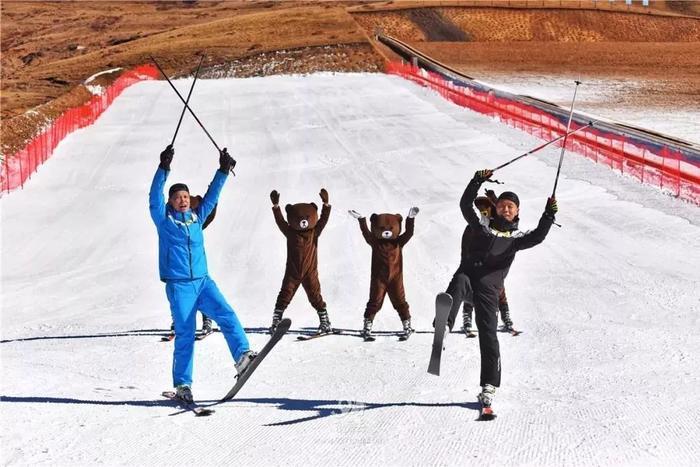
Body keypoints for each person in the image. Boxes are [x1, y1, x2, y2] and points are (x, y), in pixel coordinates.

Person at [149, 144, 255, 403]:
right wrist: (163, 168)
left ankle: (242, 358)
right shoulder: (165, 221)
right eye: (178, 197)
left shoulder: (197, 217)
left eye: (185, 196)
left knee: (226, 314)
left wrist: (223, 169)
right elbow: (154, 197)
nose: (183, 200)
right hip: (179, 286)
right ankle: (183, 385)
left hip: (203, 282)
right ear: (171, 203)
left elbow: (212, 197)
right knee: (186, 333)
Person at [445, 169, 557, 409]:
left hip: (488, 292)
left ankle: (489, 385)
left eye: (511, 207)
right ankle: (445, 324)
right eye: (503, 206)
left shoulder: (515, 239)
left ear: (516, 212)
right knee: (459, 281)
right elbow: (465, 205)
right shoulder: (481, 226)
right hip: (469, 277)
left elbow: (538, 237)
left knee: (489, 335)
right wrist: (476, 181)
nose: (506, 209)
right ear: (496, 209)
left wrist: (548, 215)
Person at [164, 195, 217, 340]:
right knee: (178, 295)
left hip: (196, 267)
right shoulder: (171, 222)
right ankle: (178, 321)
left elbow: (208, 215)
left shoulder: (195, 221)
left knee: (201, 294)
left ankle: (206, 321)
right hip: (178, 268)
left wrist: (214, 201)